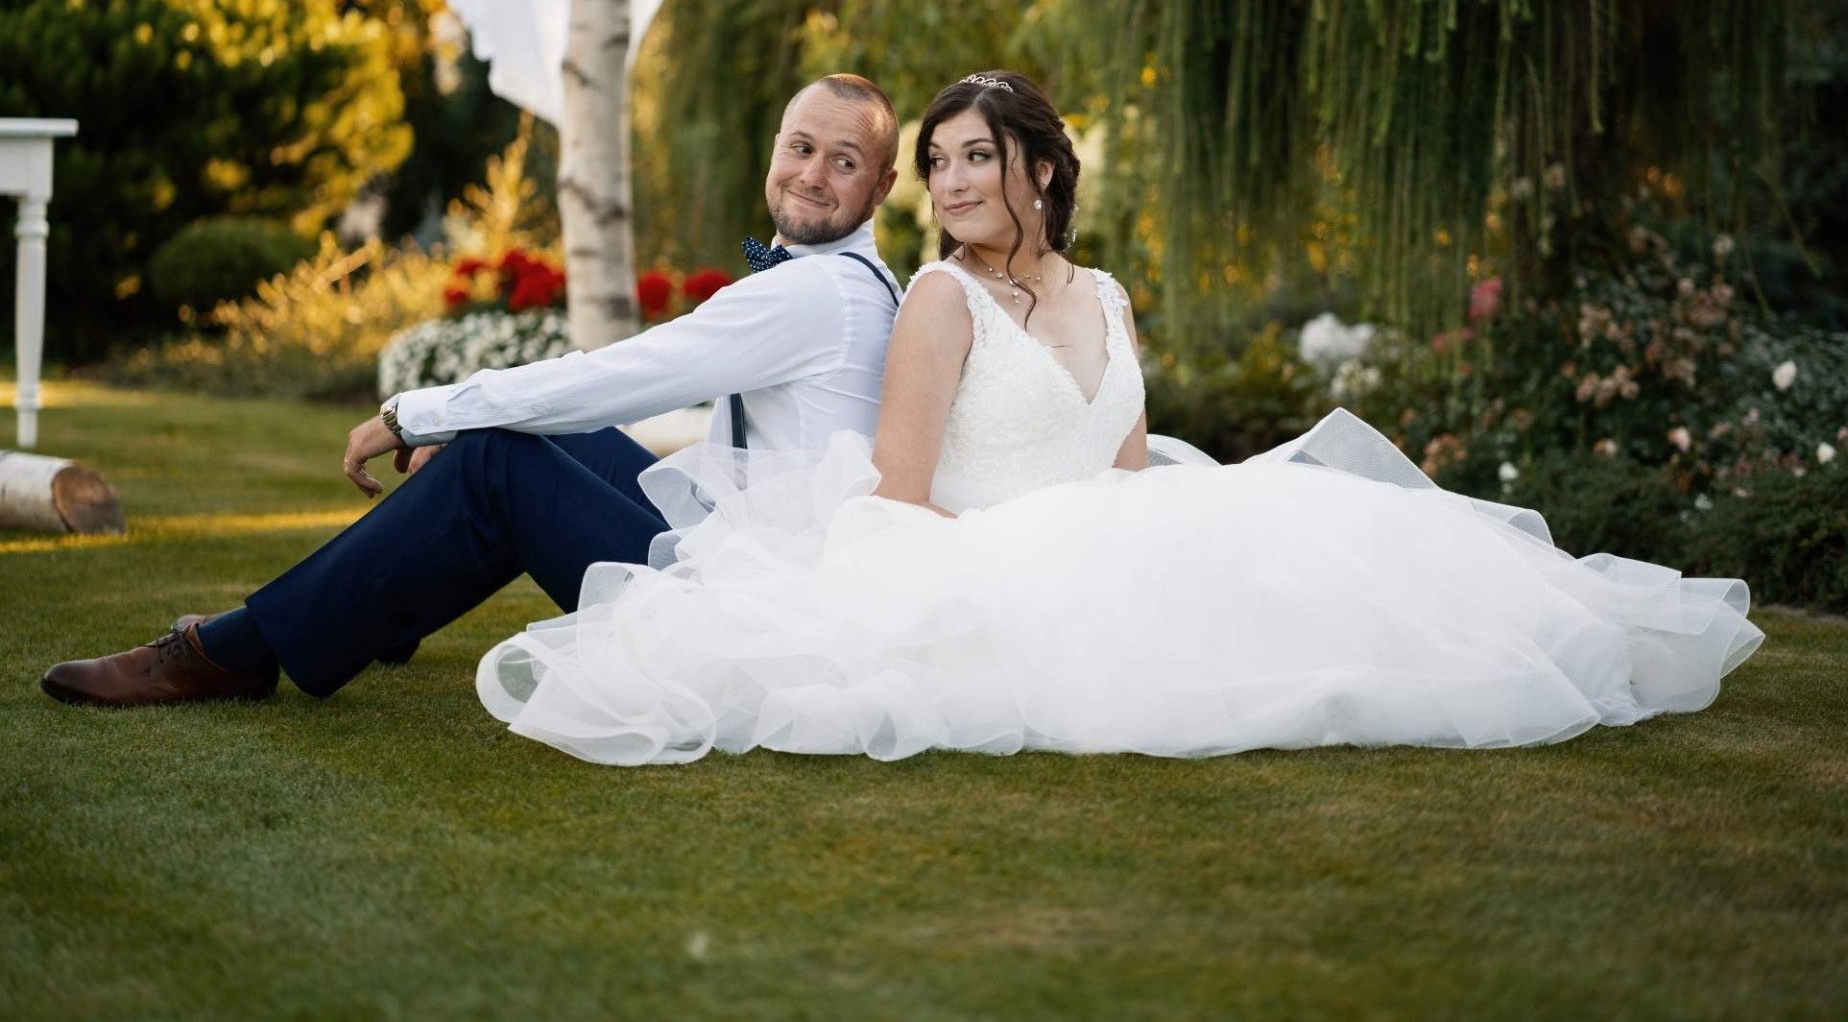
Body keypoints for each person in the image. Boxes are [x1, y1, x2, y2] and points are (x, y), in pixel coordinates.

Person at [474, 70, 1764, 766]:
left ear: (1039, 167)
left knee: (1349, 593)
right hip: (980, 556)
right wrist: (1011, 578)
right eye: (937, 162)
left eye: (977, 156)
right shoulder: (936, 298)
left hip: (1122, 531)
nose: (952, 181)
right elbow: (900, 494)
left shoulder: (1107, 296)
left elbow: (1132, 463)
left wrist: (1166, 549)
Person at [41, 74, 905, 707]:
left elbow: (620, 377)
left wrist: (420, 412)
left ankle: (238, 649)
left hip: (747, 617)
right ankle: (381, 612)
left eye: (844, 161)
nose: (812, 174)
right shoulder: (849, 282)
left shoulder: (812, 292)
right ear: (775, 148)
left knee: (498, 461)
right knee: (538, 439)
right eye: (800, 148)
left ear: (881, 188)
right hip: (756, 561)